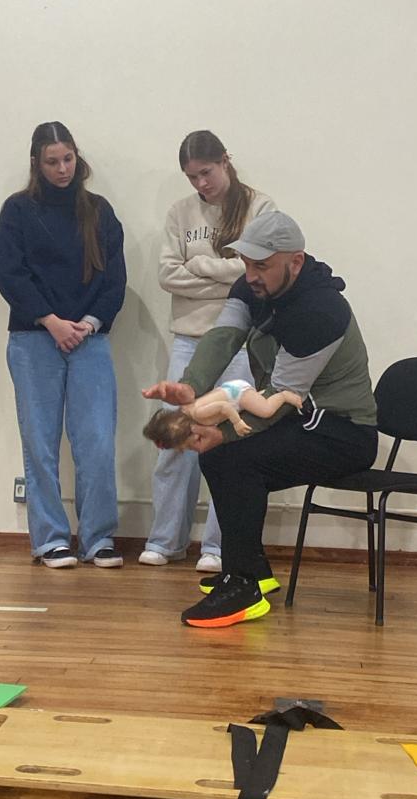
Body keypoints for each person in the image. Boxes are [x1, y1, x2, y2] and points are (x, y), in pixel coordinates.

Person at [143, 212, 378, 628]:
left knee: (234, 459)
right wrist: (190, 387)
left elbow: (279, 399)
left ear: (296, 262)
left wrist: (220, 432)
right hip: (302, 418)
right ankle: (252, 570)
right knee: (222, 456)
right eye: (247, 263)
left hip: (342, 432)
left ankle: (243, 586)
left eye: (262, 265)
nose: (250, 275)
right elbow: (224, 337)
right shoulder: (250, 286)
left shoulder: (321, 311)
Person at [139, 130, 275, 573]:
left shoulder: (260, 208)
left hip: (239, 342)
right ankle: (165, 541)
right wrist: (226, 275)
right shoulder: (180, 212)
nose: (201, 184)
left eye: (207, 172)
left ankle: (218, 546)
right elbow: (167, 276)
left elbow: (256, 273)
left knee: (230, 442)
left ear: (225, 161)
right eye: (192, 177)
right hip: (188, 339)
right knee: (174, 440)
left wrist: (198, 265)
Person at [0, 122, 126, 569]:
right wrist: (51, 322)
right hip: (34, 337)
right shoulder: (17, 210)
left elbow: (114, 279)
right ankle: (50, 539)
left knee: (96, 441)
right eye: (52, 162)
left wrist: (87, 324)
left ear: (76, 157)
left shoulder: (99, 211)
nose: (62, 168)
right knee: (40, 444)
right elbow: (10, 274)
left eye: (68, 158)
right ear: (37, 163)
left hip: (90, 338)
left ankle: (98, 538)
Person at [143, 383, 303, 447]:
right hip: (231, 392)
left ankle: (284, 396)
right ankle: (260, 397)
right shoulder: (186, 410)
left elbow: (224, 406)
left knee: (266, 411)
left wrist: (237, 422)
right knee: (257, 406)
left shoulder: (198, 414)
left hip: (238, 394)